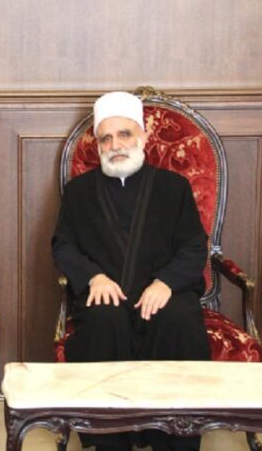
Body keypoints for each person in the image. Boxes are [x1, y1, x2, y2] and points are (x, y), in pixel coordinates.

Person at [52, 92, 211, 451]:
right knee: (104, 320)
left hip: (166, 293)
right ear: (98, 145)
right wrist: (93, 277)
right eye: (106, 138)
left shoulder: (174, 187)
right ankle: (111, 440)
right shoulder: (79, 192)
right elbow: (63, 246)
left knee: (178, 320)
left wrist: (166, 282)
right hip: (107, 293)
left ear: (142, 136)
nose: (115, 145)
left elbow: (193, 246)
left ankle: (176, 440)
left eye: (124, 134)